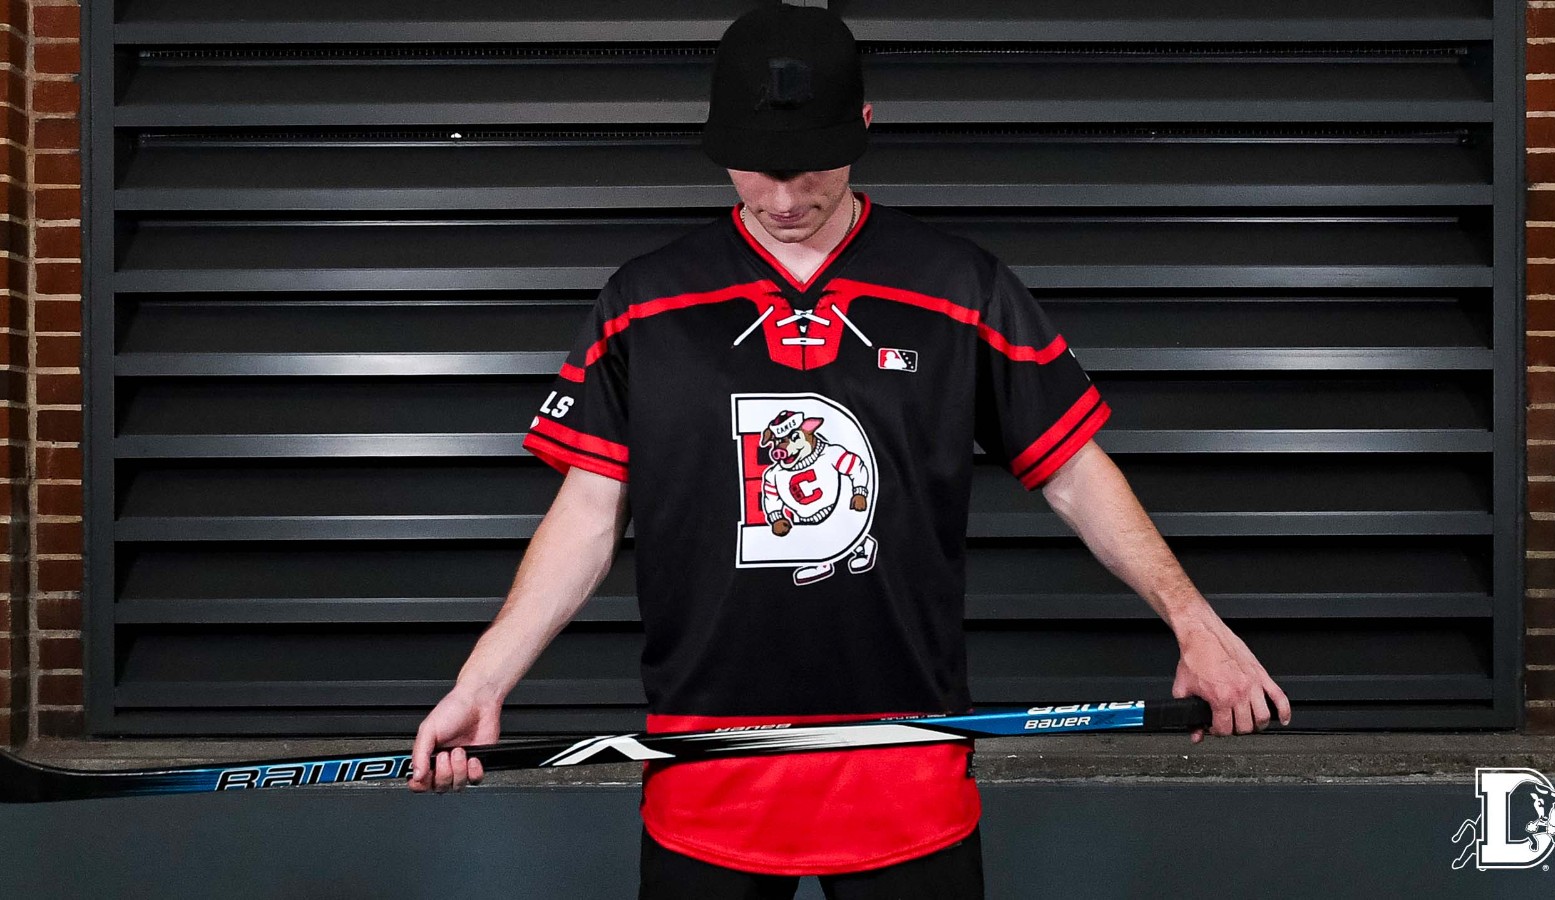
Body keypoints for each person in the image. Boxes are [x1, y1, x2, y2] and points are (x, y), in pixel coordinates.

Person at [408, 5, 1291, 898]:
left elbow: (1071, 469)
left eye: (811, 168)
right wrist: (483, 681)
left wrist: (1193, 621)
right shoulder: (645, 302)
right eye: (757, 169)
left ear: (864, 126)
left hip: (907, 767)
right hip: (707, 767)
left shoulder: (960, 285)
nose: (784, 200)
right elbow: (589, 513)